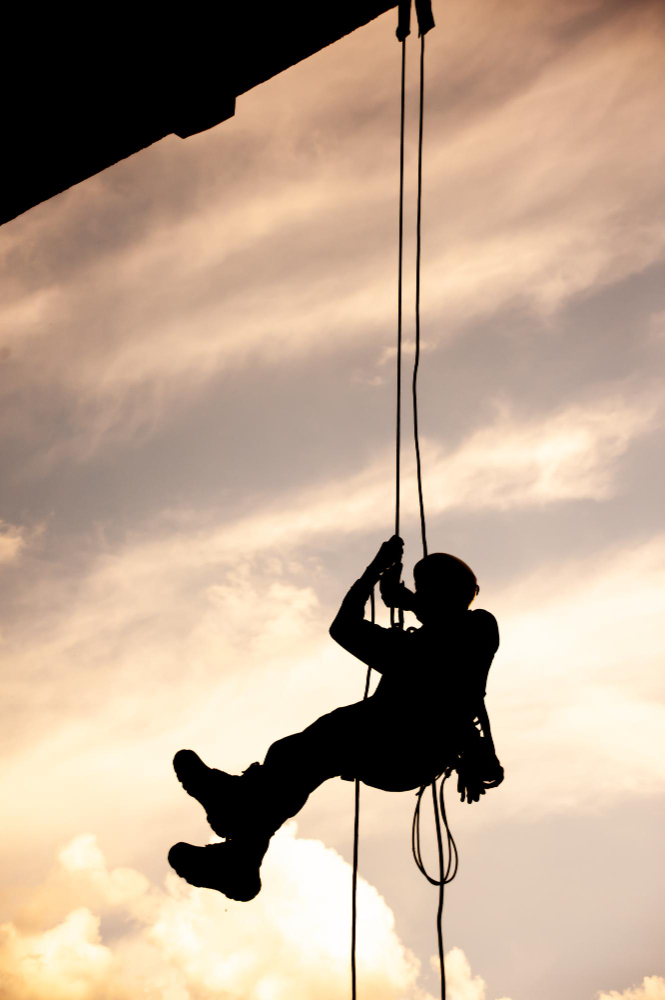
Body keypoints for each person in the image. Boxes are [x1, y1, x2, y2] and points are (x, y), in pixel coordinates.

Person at [168, 535, 504, 901]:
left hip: (404, 746)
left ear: (441, 596)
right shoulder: (438, 639)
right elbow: (438, 619)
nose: (418, 600)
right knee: (299, 758)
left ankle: (238, 819)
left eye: (425, 592)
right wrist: (405, 599)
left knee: (313, 747)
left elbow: (347, 627)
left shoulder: (464, 633)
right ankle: (243, 853)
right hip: (405, 754)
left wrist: (375, 573)